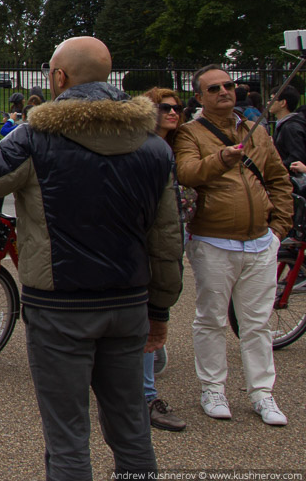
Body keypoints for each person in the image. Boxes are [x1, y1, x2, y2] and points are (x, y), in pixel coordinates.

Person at [0, 37, 182, 479]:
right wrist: (160, 308)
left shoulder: (38, 139)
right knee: (130, 431)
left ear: (58, 78)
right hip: (128, 302)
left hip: (61, 305)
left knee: (68, 438)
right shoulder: (153, 147)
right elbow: (167, 239)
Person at [173, 64, 294, 427]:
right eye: (214, 88)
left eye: (228, 85)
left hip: (260, 241)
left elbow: (278, 178)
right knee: (210, 318)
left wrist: (278, 229)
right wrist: (221, 158)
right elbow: (187, 173)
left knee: (256, 323)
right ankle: (213, 387)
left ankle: (262, 392)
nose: (224, 91)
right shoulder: (189, 133)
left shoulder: (256, 131)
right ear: (200, 97)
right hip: (214, 240)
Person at [139, 87, 188, 433]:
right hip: (151, 238)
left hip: (179, 233)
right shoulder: (141, 146)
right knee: (147, 311)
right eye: (165, 108)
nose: (173, 113)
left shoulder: (183, 144)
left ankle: (148, 365)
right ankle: (146, 392)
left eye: (178, 108)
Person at [269, 86, 306, 173]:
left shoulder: (290, 127)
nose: (268, 102)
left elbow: (296, 159)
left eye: (272, 99)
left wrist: (274, 167)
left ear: (282, 103)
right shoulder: (285, 125)